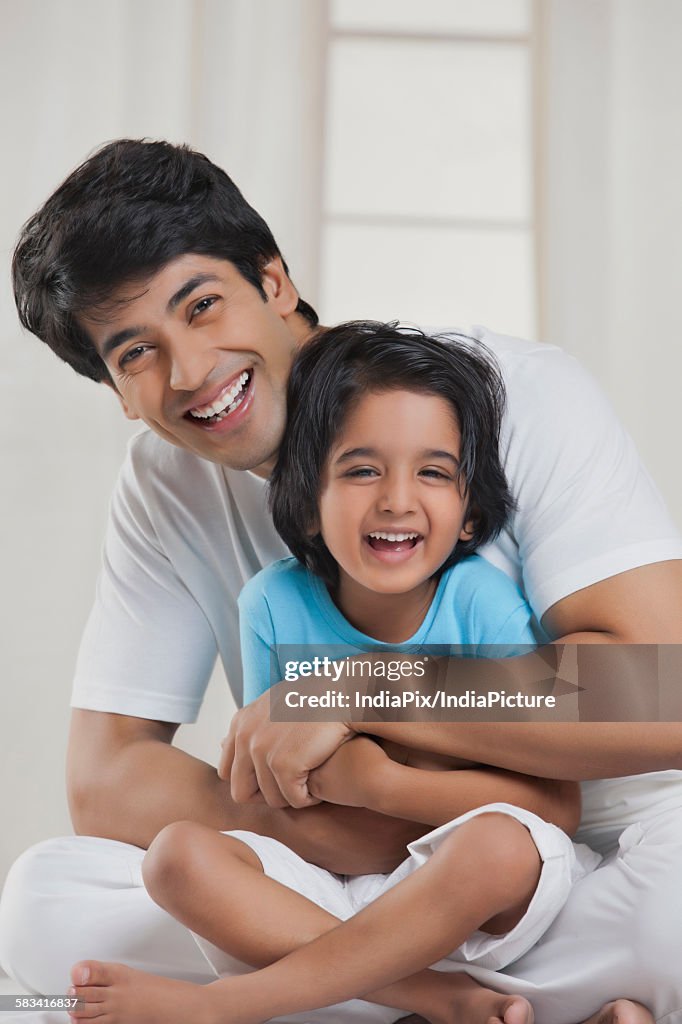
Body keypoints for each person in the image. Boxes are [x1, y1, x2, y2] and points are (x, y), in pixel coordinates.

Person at [1, 138, 682, 1024]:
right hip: (347, 871)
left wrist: (359, 687)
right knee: (47, 903)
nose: (192, 371)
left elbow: (660, 693)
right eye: (136, 354)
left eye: (203, 305)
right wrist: (371, 833)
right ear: (118, 392)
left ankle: (331, 994)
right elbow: (107, 780)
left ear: (274, 281)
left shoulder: (500, 391)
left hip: (582, 856)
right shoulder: (164, 485)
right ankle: (432, 1000)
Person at [66, 322, 601, 1024]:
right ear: (306, 502)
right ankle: (434, 1000)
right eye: (361, 469)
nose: (397, 500)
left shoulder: (481, 604)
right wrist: (377, 792)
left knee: (499, 845)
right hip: (327, 884)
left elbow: (552, 812)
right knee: (173, 859)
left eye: (433, 472)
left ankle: (228, 1006)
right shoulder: (272, 604)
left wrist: (377, 781)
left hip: (468, 889)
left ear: (470, 513)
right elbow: (276, 796)